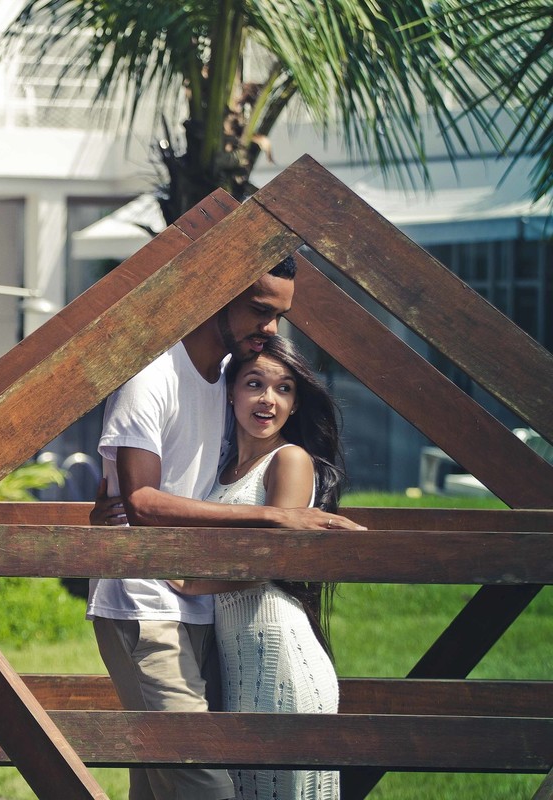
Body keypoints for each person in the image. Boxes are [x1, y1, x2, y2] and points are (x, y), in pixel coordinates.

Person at [88, 253, 362, 800]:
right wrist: (276, 516)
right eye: (260, 311)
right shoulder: (151, 377)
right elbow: (142, 500)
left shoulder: (221, 383)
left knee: (160, 782)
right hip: (143, 603)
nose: (270, 329)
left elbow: (157, 486)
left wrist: (107, 502)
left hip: (202, 610)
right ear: (216, 292)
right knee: (202, 781)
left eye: (279, 316)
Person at [170, 335, 342, 799]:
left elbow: (273, 558)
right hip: (239, 659)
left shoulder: (290, 459)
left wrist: (193, 582)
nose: (268, 399)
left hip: (280, 650)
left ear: (295, 403)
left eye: (284, 388)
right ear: (231, 392)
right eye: (255, 384)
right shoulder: (222, 467)